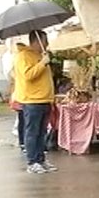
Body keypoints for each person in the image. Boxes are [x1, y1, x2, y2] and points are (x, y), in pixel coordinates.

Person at [13, 31, 57, 174]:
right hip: (32, 100)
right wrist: (42, 63)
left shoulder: (40, 55)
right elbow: (28, 75)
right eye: (45, 41)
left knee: (42, 132)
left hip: (44, 99)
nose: (47, 44)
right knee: (32, 132)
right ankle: (32, 162)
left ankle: (41, 159)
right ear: (36, 41)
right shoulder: (23, 56)